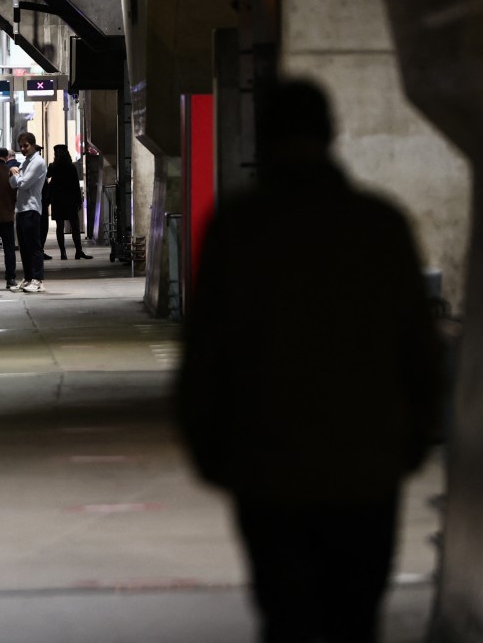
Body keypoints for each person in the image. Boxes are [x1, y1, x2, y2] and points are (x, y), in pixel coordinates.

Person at [175, 80, 444, 643]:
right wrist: (414, 439)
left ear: (265, 138)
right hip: (366, 461)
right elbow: (419, 348)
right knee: (354, 617)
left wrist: (209, 447)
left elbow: (206, 352)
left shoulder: (238, 228)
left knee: (288, 615)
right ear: (331, 133)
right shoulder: (380, 224)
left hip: (269, 464)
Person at [9, 132, 47, 293]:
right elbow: (13, 184)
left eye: (26, 145)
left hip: (32, 208)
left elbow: (23, 184)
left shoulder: (38, 162)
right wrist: (15, 175)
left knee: (34, 246)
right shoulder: (26, 162)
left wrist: (16, 174)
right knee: (24, 247)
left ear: (33, 145)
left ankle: (38, 280)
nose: (23, 149)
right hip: (21, 209)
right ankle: (28, 277)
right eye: (21, 146)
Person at [47, 144, 92, 260]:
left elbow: (46, 176)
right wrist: (79, 201)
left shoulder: (53, 166)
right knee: (75, 226)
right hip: (70, 200)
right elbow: (76, 185)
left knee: (59, 227)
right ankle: (78, 251)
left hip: (57, 201)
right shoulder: (71, 167)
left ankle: (63, 253)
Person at [0, 147, 20, 290]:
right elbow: (16, 192)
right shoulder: (9, 172)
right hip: (7, 215)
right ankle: (11, 278)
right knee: (9, 249)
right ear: (6, 157)